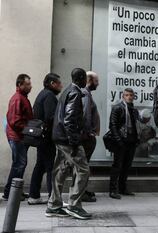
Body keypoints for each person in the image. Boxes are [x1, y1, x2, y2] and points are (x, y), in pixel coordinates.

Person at [46, 68, 91, 220]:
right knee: (83, 169)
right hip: (68, 140)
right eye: (85, 78)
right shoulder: (75, 93)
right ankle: (74, 205)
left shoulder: (66, 91)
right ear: (81, 78)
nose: (87, 81)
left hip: (59, 138)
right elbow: (69, 119)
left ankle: (54, 205)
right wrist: (74, 143)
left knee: (60, 170)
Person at [28, 73, 62, 205]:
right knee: (50, 168)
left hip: (41, 137)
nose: (61, 85)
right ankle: (52, 198)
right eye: (59, 83)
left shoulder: (43, 94)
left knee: (40, 166)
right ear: (52, 84)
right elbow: (51, 117)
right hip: (46, 138)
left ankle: (34, 195)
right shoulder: (49, 96)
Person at [3, 74, 33, 201]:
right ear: (20, 85)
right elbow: (14, 121)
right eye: (27, 84)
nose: (30, 86)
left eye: (30, 83)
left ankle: (13, 191)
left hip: (19, 136)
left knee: (19, 164)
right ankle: (10, 193)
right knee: (19, 164)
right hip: (17, 137)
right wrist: (28, 130)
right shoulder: (18, 99)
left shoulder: (22, 98)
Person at [109, 88, 139, 199]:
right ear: (123, 96)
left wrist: (137, 140)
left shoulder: (133, 110)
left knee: (127, 166)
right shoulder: (118, 108)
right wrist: (118, 140)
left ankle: (122, 188)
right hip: (120, 141)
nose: (129, 97)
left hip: (131, 141)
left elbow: (136, 126)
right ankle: (112, 190)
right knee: (117, 166)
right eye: (127, 95)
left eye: (131, 95)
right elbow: (112, 125)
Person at [81, 71, 100, 202]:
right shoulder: (86, 95)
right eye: (96, 81)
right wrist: (89, 133)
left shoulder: (86, 94)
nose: (98, 83)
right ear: (90, 80)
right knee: (83, 166)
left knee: (83, 165)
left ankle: (82, 190)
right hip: (87, 137)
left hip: (87, 136)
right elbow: (85, 115)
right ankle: (81, 192)